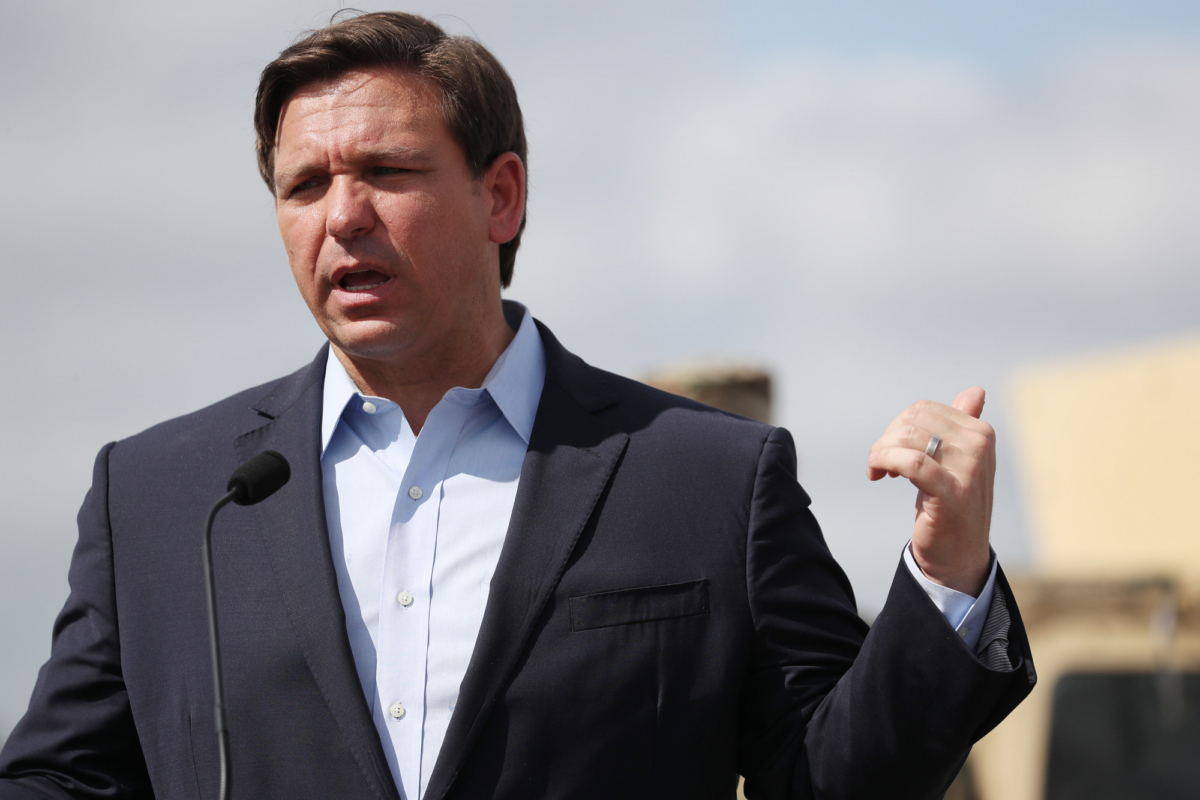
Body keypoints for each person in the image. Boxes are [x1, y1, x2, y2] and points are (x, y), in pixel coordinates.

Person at [0, 11, 1034, 800]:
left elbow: (831, 778)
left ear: (501, 195)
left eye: (387, 171)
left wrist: (945, 575)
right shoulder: (162, 499)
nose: (343, 216)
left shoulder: (709, 478)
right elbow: (59, 780)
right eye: (304, 185)